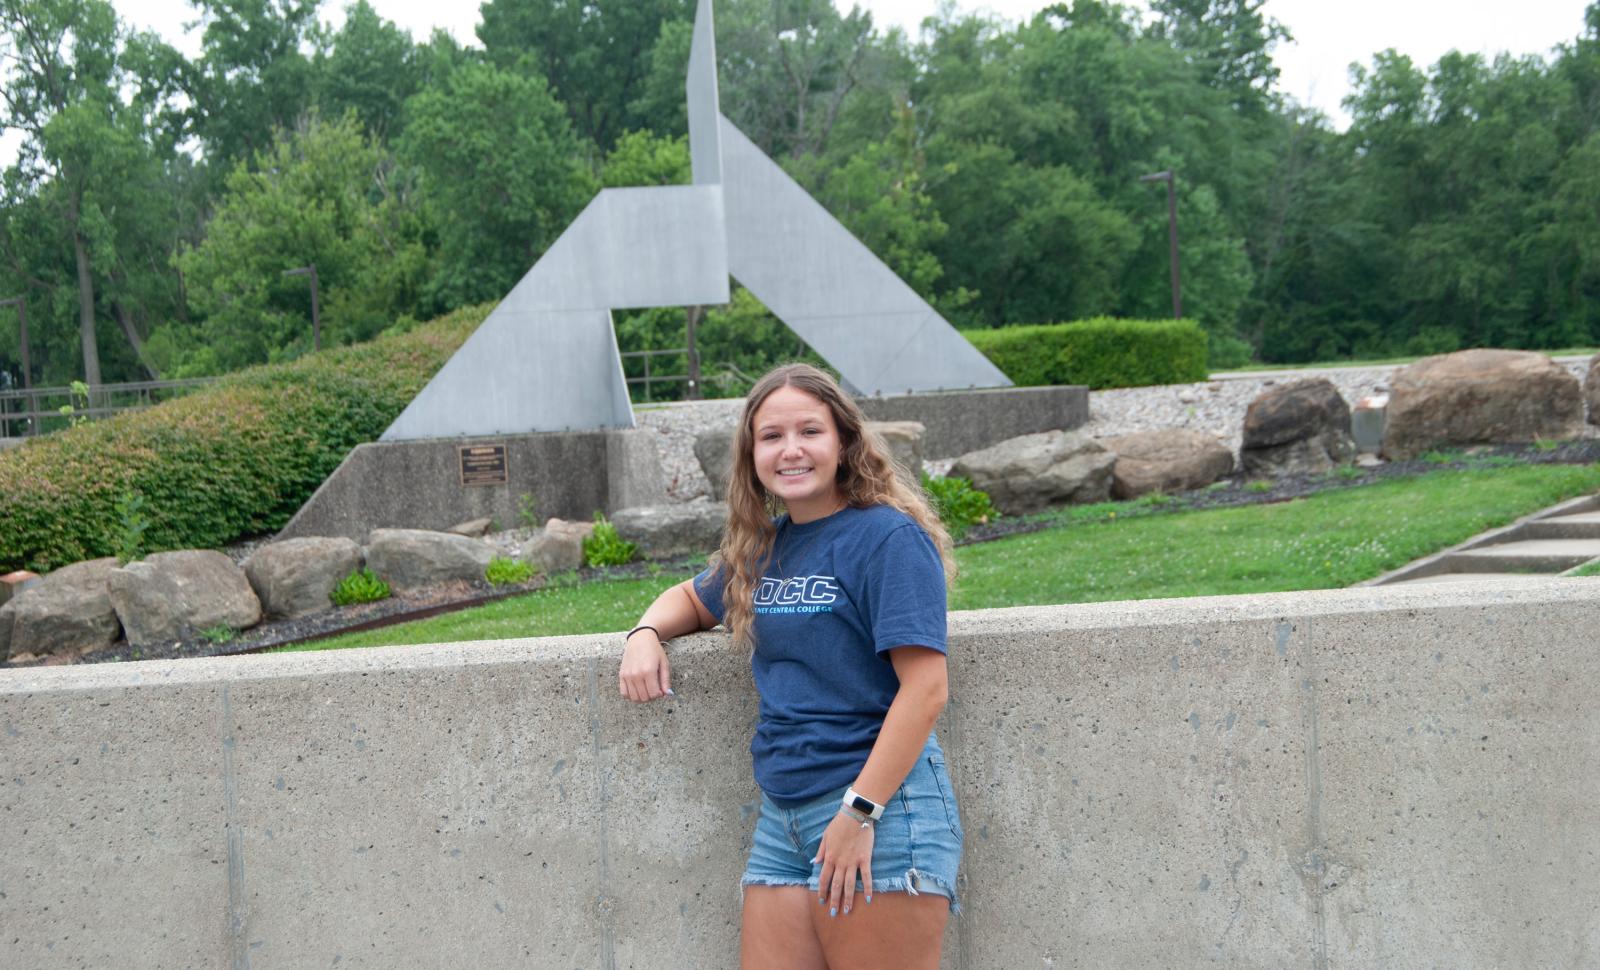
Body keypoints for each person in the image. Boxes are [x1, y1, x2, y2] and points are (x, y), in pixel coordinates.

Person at [619, 363, 962, 970]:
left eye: (810, 431)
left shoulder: (887, 539)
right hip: (784, 818)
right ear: (752, 453)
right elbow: (690, 600)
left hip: (879, 809)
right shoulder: (764, 547)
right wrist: (644, 633)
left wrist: (859, 813)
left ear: (844, 442)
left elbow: (926, 688)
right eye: (772, 436)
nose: (791, 449)